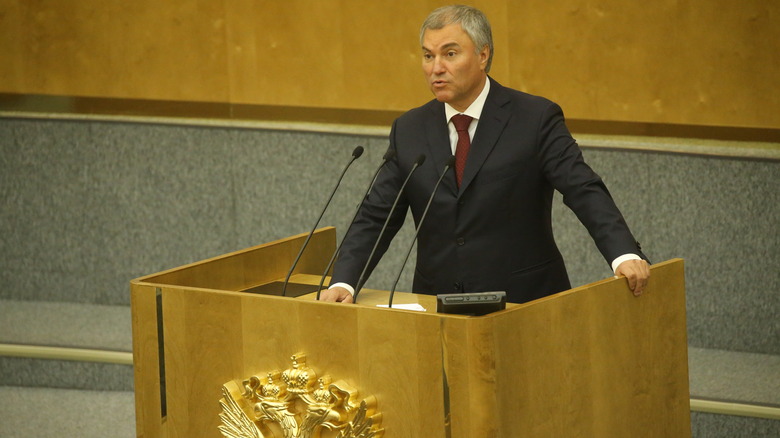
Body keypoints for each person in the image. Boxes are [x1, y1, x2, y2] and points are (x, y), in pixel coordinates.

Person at [320, 5, 649, 304]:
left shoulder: (534, 118)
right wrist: (344, 282)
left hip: (526, 302)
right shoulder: (409, 129)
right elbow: (377, 216)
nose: (437, 68)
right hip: (438, 304)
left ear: (483, 55)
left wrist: (622, 253)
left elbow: (583, 187)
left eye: (450, 54)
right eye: (428, 56)